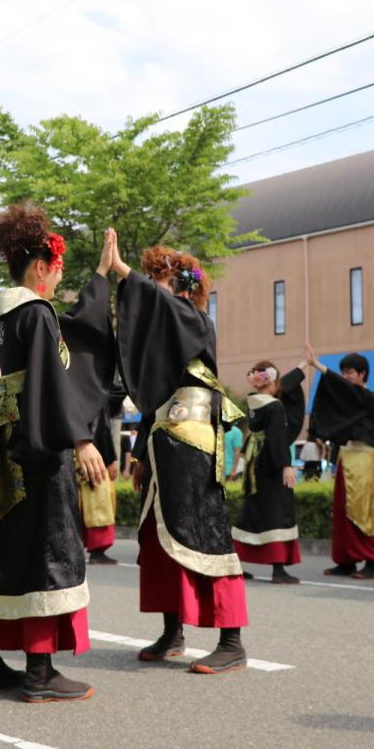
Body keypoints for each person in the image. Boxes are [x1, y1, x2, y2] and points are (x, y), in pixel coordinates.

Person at [0, 203, 111, 702]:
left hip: (12, 444)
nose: (55, 280)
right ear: (39, 268)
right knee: (51, 546)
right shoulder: (36, 312)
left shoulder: (8, 318)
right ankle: (39, 672)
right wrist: (82, 437)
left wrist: (98, 279)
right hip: (40, 445)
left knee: (12, 547)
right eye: (54, 271)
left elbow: (66, 341)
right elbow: (52, 380)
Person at [113, 237, 250, 676]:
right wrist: (140, 454)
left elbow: (164, 307)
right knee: (158, 538)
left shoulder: (196, 320)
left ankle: (232, 640)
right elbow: (153, 396)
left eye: (160, 279)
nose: (153, 286)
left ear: (185, 288)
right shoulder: (168, 333)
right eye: (150, 277)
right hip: (162, 440)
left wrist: (122, 271)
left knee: (204, 532)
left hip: (193, 441)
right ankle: (173, 631)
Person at [306, 343, 374, 580]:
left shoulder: (367, 397)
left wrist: (318, 366)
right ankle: (346, 561)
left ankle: (372, 563)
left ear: (362, 374)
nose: (345, 376)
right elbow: (336, 394)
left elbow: (343, 389)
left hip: (362, 457)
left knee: (363, 510)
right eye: (343, 372)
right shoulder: (348, 398)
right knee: (342, 512)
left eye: (350, 372)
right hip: (345, 457)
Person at [232, 361, 305, 584]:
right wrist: (285, 464)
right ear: (272, 382)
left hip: (256, 462)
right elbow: (277, 438)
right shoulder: (274, 407)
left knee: (253, 510)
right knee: (277, 511)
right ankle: (278, 567)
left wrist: (303, 365)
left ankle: (235, 562)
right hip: (271, 464)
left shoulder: (253, 403)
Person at [83, 391, 124, 565]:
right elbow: (101, 430)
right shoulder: (95, 395)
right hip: (94, 455)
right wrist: (110, 459)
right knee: (99, 504)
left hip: (79, 455)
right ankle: (97, 550)